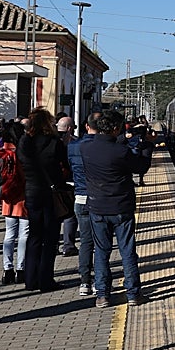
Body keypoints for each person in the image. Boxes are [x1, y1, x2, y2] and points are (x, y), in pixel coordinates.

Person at [81, 109, 152, 307]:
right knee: (127, 250)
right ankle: (133, 293)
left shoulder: (85, 149)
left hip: (97, 207)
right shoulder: (121, 151)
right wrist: (145, 146)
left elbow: (107, 149)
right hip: (122, 207)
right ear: (115, 129)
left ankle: (102, 294)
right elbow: (140, 167)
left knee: (101, 251)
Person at [16, 108, 71, 292]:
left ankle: (30, 279)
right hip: (50, 192)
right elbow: (64, 164)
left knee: (34, 235)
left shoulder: (24, 141)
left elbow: (22, 163)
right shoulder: (53, 142)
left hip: (31, 191)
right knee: (50, 237)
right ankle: (46, 279)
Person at [67, 111, 100, 296]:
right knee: (101, 243)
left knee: (86, 242)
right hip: (100, 199)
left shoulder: (72, 147)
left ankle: (84, 282)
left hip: (80, 197)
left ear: (87, 126)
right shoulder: (105, 147)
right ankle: (99, 282)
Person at [0, 121, 29, 284]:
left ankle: (7, 269)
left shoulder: (0, 152)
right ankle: (21, 269)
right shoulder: (20, 153)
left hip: (6, 198)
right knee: (24, 235)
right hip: (22, 198)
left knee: (9, 235)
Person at [56, 115, 79, 256]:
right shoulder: (74, 143)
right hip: (70, 182)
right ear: (70, 128)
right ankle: (68, 245)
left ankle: (52, 244)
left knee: (55, 215)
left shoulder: (49, 141)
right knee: (70, 214)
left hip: (52, 183)